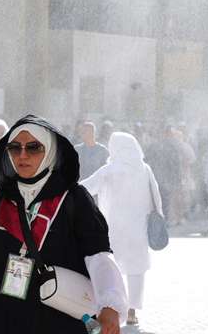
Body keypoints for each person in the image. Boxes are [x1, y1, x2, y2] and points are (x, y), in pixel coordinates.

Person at [0, 115, 126, 334]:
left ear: (51, 151)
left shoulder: (73, 199)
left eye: (34, 148)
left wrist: (110, 303)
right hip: (0, 316)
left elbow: (98, 254)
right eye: (15, 148)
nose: (22, 155)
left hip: (55, 318)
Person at [80, 132, 162, 328]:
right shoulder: (144, 169)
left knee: (111, 269)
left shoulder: (110, 170)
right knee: (136, 270)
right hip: (138, 229)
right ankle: (132, 311)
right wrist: (158, 215)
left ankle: (111, 308)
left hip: (113, 228)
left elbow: (85, 188)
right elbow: (156, 195)